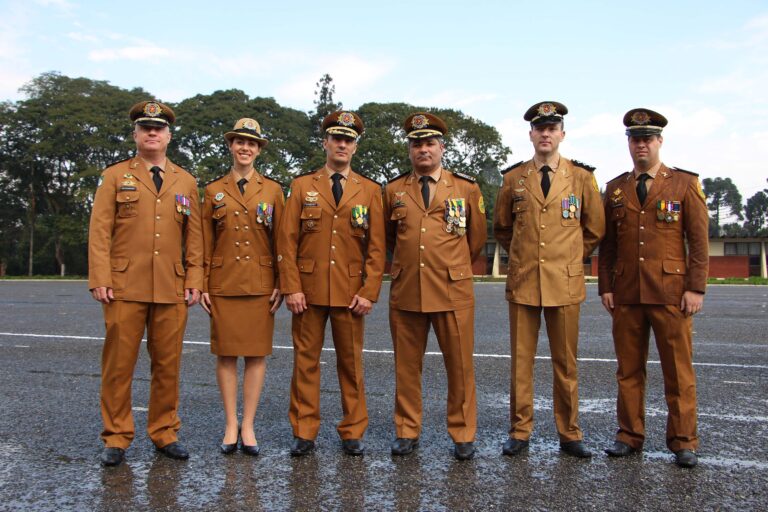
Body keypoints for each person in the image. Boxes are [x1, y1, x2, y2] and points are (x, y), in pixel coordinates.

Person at [88, 100, 203, 466]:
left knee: (168, 364)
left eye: (159, 128)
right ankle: (117, 436)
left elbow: (195, 236)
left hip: (171, 284)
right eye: (145, 128)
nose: (152, 133)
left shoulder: (185, 180)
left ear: (169, 136)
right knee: (119, 364)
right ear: (136, 134)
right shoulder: (115, 175)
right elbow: (100, 230)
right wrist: (100, 277)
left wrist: (196, 278)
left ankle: (164, 432)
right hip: (123, 284)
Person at [493, 101, 604, 458]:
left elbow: (594, 230)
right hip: (525, 281)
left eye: (552, 128)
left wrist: (568, 257)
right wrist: (527, 258)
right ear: (530, 135)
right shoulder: (513, 178)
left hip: (565, 281)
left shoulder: (582, 178)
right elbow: (503, 229)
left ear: (562, 134)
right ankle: (520, 431)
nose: (546, 134)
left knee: (566, 363)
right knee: (520, 362)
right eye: (540, 129)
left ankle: (570, 432)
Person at [598, 108, 709, 468]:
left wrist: (696, 288)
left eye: (647, 138)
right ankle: (629, 435)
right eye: (634, 138)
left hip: (671, 294)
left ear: (660, 141)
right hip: (627, 293)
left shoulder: (683, 184)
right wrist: (606, 286)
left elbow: (699, 241)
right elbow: (609, 245)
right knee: (628, 371)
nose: (641, 144)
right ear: (628, 143)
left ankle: (683, 440)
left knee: (678, 371)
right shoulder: (616, 188)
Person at [276, 111, 385, 456]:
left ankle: (352, 430)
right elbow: (286, 241)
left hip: (350, 292)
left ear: (355, 147)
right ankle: (304, 431)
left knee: (351, 365)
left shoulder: (369, 190)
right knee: (304, 362)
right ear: (325, 143)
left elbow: (377, 247)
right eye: (336, 138)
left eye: (348, 140)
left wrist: (369, 291)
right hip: (306, 292)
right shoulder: (301, 186)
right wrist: (291, 287)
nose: (342, 144)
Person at [384, 112, 487, 461]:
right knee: (406, 367)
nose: (422, 149)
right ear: (410, 149)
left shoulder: (466, 188)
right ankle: (406, 430)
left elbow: (476, 240)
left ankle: (462, 433)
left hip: (452, 290)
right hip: (407, 290)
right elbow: (388, 238)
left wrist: (451, 265)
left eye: (429, 143)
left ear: (442, 147)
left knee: (459, 367)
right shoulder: (394, 189)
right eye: (416, 144)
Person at [200, 118, 284, 456]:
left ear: (259, 149)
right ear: (231, 146)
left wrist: (283, 282)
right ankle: (229, 423)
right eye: (239, 142)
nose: (245, 147)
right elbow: (203, 242)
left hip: (261, 284)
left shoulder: (274, 190)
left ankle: (248, 424)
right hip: (223, 282)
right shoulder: (212, 190)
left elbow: (283, 241)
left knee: (255, 354)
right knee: (225, 354)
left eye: (251, 143)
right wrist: (201, 282)